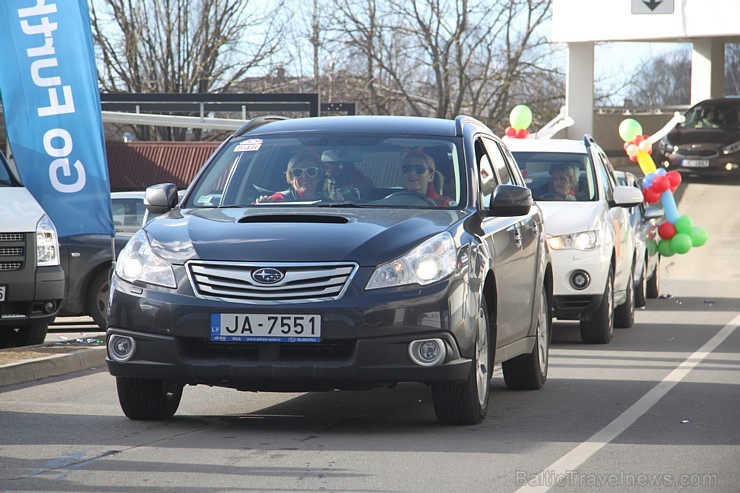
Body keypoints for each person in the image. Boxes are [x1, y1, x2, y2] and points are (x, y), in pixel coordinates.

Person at [255, 152, 328, 203]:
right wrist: (261, 206)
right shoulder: (279, 199)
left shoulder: (328, 201)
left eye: (311, 171)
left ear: (318, 175)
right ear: (291, 177)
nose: (304, 176)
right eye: (297, 172)